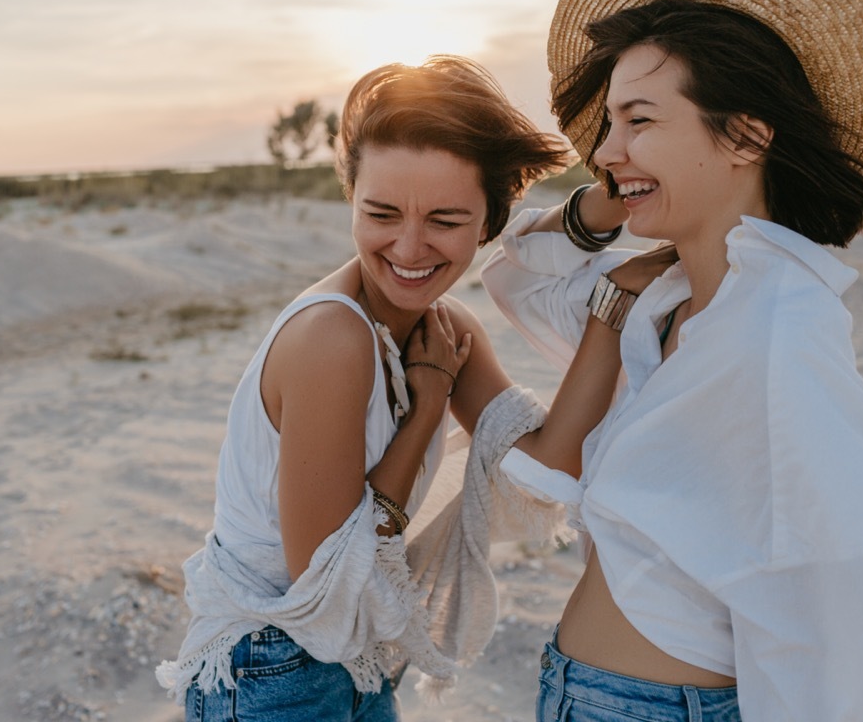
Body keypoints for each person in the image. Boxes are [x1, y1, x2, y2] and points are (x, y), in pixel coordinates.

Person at [480, 0, 863, 720]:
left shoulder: (778, 335)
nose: (605, 150)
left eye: (639, 120)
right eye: (608, 125)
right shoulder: (662, 300)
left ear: (746, 135)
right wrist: (609, 203)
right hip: (586, 694)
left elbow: (844, 583)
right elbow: (514, 274)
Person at [156, 54, 668, 721]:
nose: (408, 247)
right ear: (351, 198)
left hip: (357, 656)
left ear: (488, 224)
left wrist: (611, 304)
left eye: (445, 221)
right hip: (269, 665)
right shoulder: (332, 339)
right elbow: (325, 580)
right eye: (382, 213)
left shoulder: (444, 328)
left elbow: (549, 464)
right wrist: (425, 410)